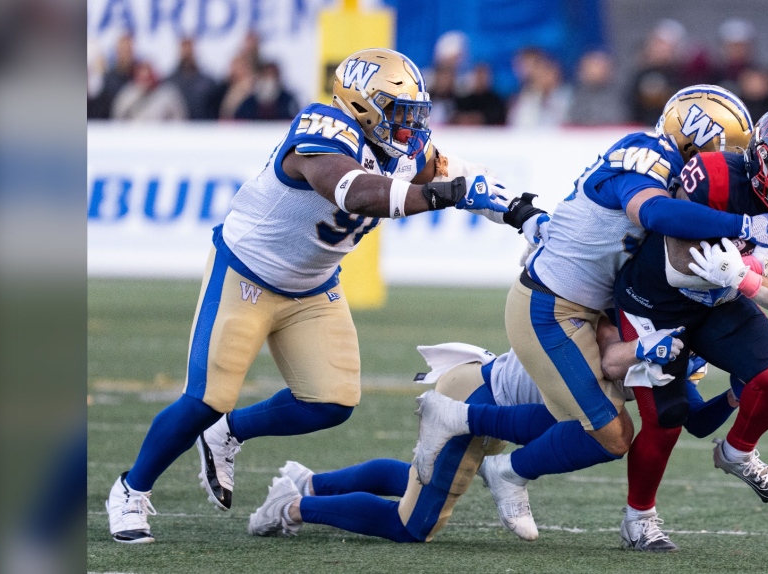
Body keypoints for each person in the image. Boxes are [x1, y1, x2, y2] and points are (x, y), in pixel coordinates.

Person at [105, 48, 545, 544]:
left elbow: (462, 176)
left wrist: (520, 213)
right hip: (247, 272)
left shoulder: (401, 148)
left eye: (414, 115)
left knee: (331, 400)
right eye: (399, 113)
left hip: (313, 284)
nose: (409, 126)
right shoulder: (321, 128)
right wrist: (436, 196)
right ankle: (130, 490)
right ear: (363, 105)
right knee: (207, 398)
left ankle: (230, 432)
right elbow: (354, 191)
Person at [412, 84, 768, 541]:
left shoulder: (676, 186)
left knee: (582, 421)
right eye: (723, 151)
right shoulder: (646, 154)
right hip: (550, 304)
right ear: (696, 135)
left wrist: (734, 391)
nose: (724, 165)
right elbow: (652, 212)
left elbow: (691, 417)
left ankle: (480, 445)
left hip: (597, 307)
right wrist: (745, 225)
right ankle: (492, 455)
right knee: (610, 434)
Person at [611, 104, 768, 551]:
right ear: (761, 161)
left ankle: (738, 451)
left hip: (721, 300)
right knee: (666, 418)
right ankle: (638, 519)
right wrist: (744, 261)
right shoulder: (715, 173)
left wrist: (746, 277)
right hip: (654, 301)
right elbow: (677, 264)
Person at [245, 317, 690, 542]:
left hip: (490, 392)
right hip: (476, 394)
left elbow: (686, 412)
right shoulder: (612, 328)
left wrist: (740, 394)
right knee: (413, 525)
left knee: (417, 479)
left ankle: (311, 482)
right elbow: (611, 363)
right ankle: (294, 506)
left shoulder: (647, 336)